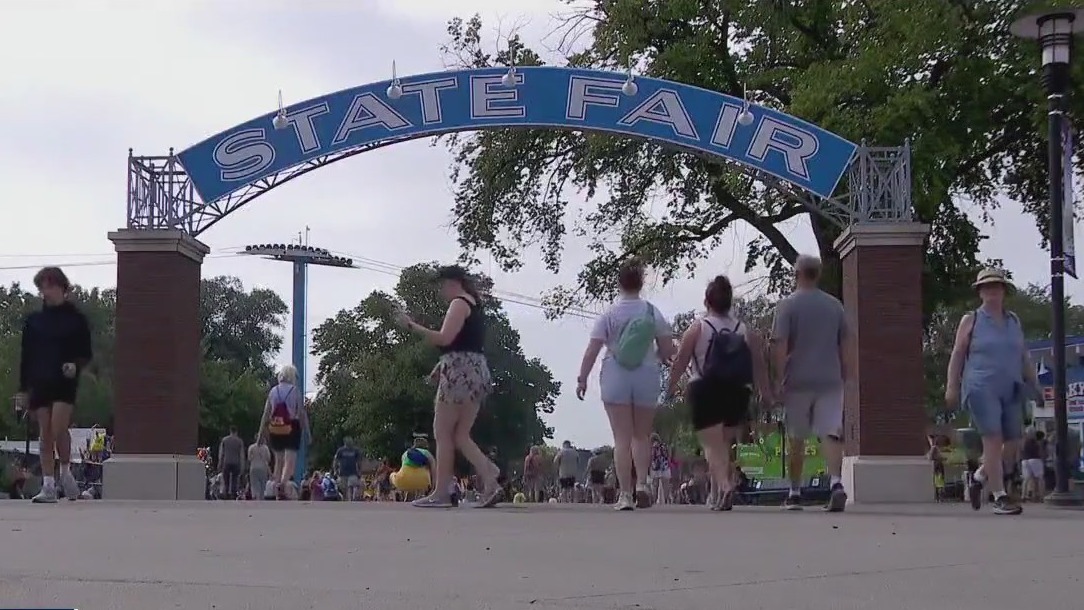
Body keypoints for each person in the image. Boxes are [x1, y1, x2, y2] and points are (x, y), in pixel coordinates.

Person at [396, 265, 502, 508]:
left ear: (452, 283)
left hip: (459, 371)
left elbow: (445, 338)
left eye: (442, 285)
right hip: (474, 370)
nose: (441, 291)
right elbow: (464, 343)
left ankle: (441, 492)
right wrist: (439, 368)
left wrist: (411, 326)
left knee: (442, 432)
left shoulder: (458, 303)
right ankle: (489, 474)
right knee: (460, 434)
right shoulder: (474, 305)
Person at [576, 258, 675, 511]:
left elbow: (592, 350)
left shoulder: (609, 314)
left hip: (615, 374)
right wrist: (663, 357)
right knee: (641, 435)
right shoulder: (652, 312)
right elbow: (667, 348)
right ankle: (642, 483)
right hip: (646, 374)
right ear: (641, 283)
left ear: (619, 284)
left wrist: (582, 378)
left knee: (621, 439)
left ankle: (625, 495)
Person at [668, 275, 772, 511]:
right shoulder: (745, 330)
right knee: (723, 443)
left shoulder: (699, 327)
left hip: (705, 388)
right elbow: (759, 365)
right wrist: (766, 393)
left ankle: (724, 487)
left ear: (707, 301)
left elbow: (681, 360)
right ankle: (716, 494)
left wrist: (671, 386)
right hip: (737, 391)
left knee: (711, 445)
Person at [946, 268, 1038, 516]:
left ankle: (979, 477)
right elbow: (957, 354)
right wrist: (952, 386)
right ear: (980, 292)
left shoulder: (1013, 321)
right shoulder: (972, 320)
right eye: (986, 287)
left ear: (1004, 291)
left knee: (1014, 441)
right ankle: (999, 495)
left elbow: (1024, 354)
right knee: (993, 440)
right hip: (980, 386)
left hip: (1011, 386)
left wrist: (1035, 384)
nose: (991, 291)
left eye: (996, 287)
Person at [770, 255, 851, 512]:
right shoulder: (835, 306)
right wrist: (848, 375)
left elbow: (780, 344)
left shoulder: (787, 306)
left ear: (797, 274)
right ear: (818, 274)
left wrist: (778, 378)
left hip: (798, 380)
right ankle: (836, 483)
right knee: (830, 432)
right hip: (830, 378)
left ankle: (795, 492)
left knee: (797, 437)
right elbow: (847, 343)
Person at [15, 267, 92, 503]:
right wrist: (22, 389)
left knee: (57, 428)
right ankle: (48, 485)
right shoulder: (34, 322)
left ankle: (66, 472)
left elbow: (85, 352)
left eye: (50, 286)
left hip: (64, 380)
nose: (45, 292)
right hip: (39, 379)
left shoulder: (76, 320)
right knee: (44, 432)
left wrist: (76, 366)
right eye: (42, 287)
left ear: (62, 288)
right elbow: (26, 355)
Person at [259, 364, 309, 500]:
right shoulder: (295, 391)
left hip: (275, 426)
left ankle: (276, 488)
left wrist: (260, 435)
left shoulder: (273, 392)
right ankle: (282, 484)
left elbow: (266, 414)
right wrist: (307, 432)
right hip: (292, 426)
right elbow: (301, 413)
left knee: (278, 461)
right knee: (290, 460)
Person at [218, 427, 245, 500]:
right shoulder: (239, 441)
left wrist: (220, 463)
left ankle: (226, 493)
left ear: (230, 431)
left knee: (226, 479)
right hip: (236, 462)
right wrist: (242, 465)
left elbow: (221, 453)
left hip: (226, 462)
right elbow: (241, 454)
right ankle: (233, 494)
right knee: (234, 479)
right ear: (236, 432)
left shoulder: (224, 440)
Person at [334, 437, 363, 501]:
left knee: (351, 485)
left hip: (353, 472)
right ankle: (345, 498)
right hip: (342, 472)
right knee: (344, 488)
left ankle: (351, 499)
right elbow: (336, 461)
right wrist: (335, 470)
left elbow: (359, 461)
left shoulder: (355, 450)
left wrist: (359, 470)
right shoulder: (340, 450)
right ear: (345, 442)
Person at [648, 434, 672, 505]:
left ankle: (654, 500)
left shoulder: (651, 447)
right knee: (666, 485)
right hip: (665, 467)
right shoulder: (664, 446)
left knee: (655, 485)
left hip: (655, 467)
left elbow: (650, 457)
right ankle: (666, 500)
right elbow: (668, 456)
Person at [247, 437, 272, 501]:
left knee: (254, 483)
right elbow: (268, 458)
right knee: (263, 483)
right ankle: (261, 497)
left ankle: (256, 496)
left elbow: (249, 458)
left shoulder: (251, 447)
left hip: (253, 467)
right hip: (263, 468)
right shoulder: (265, 448)